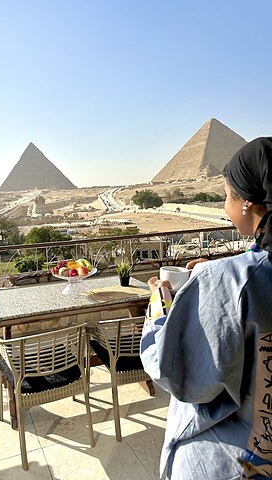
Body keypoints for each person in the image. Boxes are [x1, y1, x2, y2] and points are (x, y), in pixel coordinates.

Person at [140, 136, 272, 479]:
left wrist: (159, 309)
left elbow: (175, 371)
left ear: (248, 203)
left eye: (226, 196)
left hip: (233, 459)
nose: (224, 208)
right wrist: (229, 266)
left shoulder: (230, 280)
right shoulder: (238, 272)